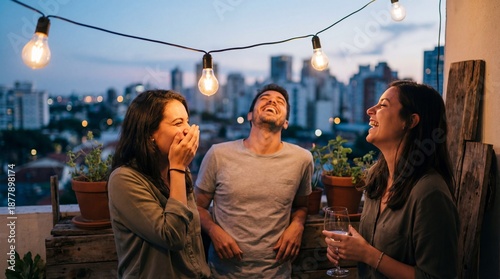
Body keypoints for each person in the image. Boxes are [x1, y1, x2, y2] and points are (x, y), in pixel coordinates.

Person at [323, 80, 459, 278]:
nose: (370, 110)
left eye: (383, 105)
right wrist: (350, 248)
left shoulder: (430, 193)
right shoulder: (376, 179)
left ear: (410, 121)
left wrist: (367, 254)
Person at [195, 83, 313, 278]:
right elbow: (197, 207)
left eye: (280, 101)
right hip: (223, 274)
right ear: (250, 115)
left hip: (277, 274)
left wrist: (297, 224)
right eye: (265, 98)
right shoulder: (218, 154)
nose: (272, 101)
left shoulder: (302, 159)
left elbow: (302, 206)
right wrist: (213, 231)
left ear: (286, 122)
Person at [107, 90, 211, 279]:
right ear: (149, 133)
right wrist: (178, 167)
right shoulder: (124, 179)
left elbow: (192, 239)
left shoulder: (178, 171)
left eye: (187, 121)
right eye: (178, 123)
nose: (188, 129)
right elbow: (173, 236)